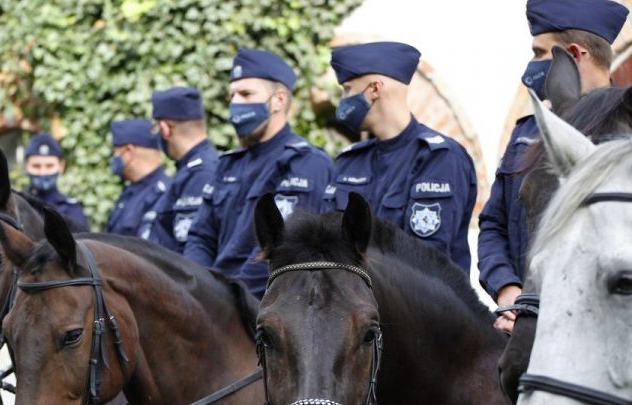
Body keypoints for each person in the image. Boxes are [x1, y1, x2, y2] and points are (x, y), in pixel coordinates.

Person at [478, 0, 628, 333]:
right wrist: (509, 291)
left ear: (573, 54)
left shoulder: (625, 133)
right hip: (521, 327)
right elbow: (493, 223)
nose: (530, 65)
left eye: (539, 52)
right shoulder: (527, 133)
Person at [184, 48, 335, 297]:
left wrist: (227, 299)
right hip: (211, 302)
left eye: (246, 94)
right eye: (232, 95)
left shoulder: (306, 164)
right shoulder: (228, 164)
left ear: (279, 100)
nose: (235, 104)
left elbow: (283, 250)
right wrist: (196, 286)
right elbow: (201, 237)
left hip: (264, 307)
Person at [328, 41, 477, 272]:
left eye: (348, 89)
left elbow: (425, 261)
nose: (343, 100)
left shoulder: (438, 158)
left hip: (419, 306)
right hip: (351, 303)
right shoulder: (350, 161)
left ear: (374, 89)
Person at [148, 86, 218, 253]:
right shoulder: (190, 169)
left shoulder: (200, 173)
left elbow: (190, 250)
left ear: (165, 128)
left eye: (155, 127)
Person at [106, 119, 170, 238]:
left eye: (116, 151)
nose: (114, 157)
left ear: (129, 151)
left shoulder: (163, 194)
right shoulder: (130, 191)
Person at [23, 132, 90, 231]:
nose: (43, 172)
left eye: (49, 166)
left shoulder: (72, 210)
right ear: (26, 166)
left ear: (61, 167)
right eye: (36, 166)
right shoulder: (18, 205)